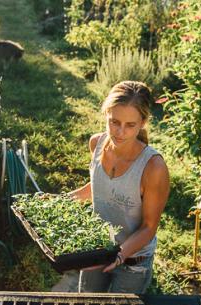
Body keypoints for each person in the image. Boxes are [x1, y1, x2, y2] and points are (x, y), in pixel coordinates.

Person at [70, 81, 170, 293]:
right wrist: (62, 200)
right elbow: (99, 186)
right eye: (114, 121)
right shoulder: (97, 143)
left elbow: (149, 227)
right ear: (106, 114)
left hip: (133, 263)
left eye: (130, 125)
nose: (120, 132)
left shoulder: (153, 167)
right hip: (97, 249)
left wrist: (119, 254)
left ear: (143, 122)